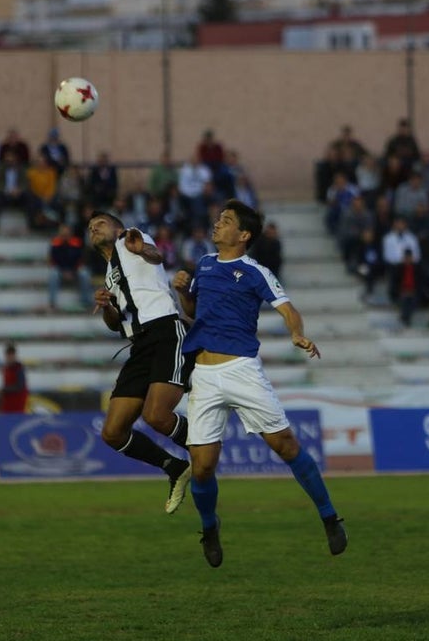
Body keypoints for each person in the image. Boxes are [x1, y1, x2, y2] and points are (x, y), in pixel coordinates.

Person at [172, 200, 346, 568]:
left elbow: (287, 308)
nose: (217, 224)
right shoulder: (203, 265)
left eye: (227, 221)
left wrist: (297, 334)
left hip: (241, 370)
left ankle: (329, 516)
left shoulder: (254, 271)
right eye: (219, 218)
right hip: (203, 374)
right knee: (202, 467)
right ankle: (210, 527)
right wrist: (182, 291)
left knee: (285, 445)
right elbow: (192, 313)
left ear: (244, 234)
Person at [88, 210, 192, 513]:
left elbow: (155, 255)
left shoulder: (129, 238)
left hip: (165, 331)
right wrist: (106, 305)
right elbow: (113, 324)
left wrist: (141, 248)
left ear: (118, 227)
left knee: (156, 416)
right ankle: (174, 467)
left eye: (100, 223)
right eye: (90, 227)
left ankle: (203, 446)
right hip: (139, 345)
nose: (94, 227)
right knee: (112, 433)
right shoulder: (110, 273)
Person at [48, 223, 93, 310]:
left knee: (84, 273)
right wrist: (64, 272)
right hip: (61, 271)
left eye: (66, 234)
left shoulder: (77, 242)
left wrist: (73, 270)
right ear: (59, 234)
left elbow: (81, 259)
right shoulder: (55, 243)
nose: (65, 236)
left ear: (70, 234)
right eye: (63, 234)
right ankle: (52, 302)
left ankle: (86, 301)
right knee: (53, 273)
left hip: (75, 270)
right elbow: (53, 261)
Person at [0, 343, 29, 414]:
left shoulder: (19, 368)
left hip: (17, 403)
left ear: (15, 355)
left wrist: (3, 389)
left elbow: (20, 387)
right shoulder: (5, 369)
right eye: (8, 355)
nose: (10, 357)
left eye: (12, 355)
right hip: (7, 403)